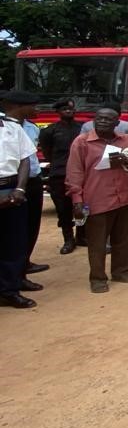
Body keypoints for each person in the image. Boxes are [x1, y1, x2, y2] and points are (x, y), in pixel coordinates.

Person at [66, 107, 128, 292]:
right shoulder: (82, 142)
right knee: (97, 242)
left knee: (124, 238)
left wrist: (126, 161)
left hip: (123, 196)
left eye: (108, 119)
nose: (103, 122)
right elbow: (74, 172)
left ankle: (121, 271)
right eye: (99, 118)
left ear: (117, 123)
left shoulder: (127, 140)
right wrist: (77, 199)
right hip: (96, 197)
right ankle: (98, 278)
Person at [1, 90, 48, 278]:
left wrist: (20, 188)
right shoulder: (6, 125)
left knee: (26, 230)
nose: (36, 109)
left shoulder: (29, 128)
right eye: (32, 106)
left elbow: (26, 159)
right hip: (7, 185)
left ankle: (19, 275)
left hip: (28, 183)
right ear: (18, 107)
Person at [0, 105, 38, 308]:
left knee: (14, 243)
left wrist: (20, 189)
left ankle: (9, 290)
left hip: (12, 188)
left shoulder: (13, 128)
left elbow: (25, 160)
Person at [38, 97, 84, 254]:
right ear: (58, 112)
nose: (69, 111)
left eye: (71, 108)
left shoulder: (82, 128)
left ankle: (82, 236)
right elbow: (47, 152)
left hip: (82, 173)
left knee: (82, 206)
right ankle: (68, 239)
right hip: (60, 174)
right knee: (63, 209)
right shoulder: (49, 131)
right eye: (65, 109)